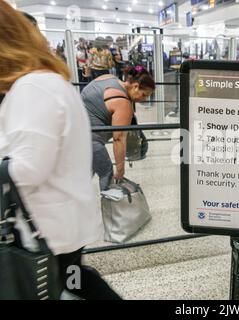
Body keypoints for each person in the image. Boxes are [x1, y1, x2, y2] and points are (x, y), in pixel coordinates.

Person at [0, 2, 121, 299]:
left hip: (45, 234)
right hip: (59, 229)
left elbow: (27, 169)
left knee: (69, 285)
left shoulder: (34, 88)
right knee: (75, 284)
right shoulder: (47, 82)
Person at [81, 66, 155, 191]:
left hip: (73, 130)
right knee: (106, 173)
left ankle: (72, 202)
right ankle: (110, 208)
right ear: (135, 86)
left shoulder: (108, 78)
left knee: (87, 171)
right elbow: (119, 139)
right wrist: (120, 170)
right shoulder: (122, 102)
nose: (144, 99)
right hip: (89, 139)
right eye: (144, 95)